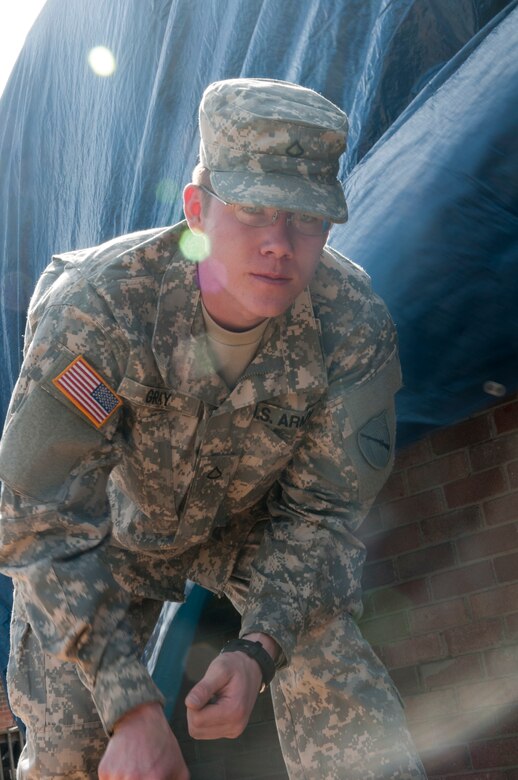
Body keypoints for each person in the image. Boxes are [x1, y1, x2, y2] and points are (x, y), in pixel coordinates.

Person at [0, 78, 426, 780]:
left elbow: (320, 515)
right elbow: (37, 517)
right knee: (75, 739)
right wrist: (131, 710)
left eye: (308, 219)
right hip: (106, 531)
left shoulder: (350, 328)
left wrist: (257, 649)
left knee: (327, 656)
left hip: (243, 531)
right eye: (255, 210)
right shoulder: (103, 307)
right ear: (198, 209)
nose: (280, 245)